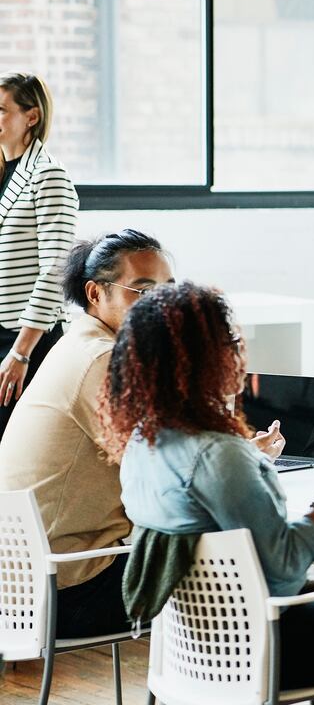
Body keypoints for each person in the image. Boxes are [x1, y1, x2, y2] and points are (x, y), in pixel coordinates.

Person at [108, 282, 314, 703]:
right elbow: (282, 571)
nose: (240, 350)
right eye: (233, 340)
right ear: (206, 358)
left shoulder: (142, 444)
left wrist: (308, 582)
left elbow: (233, 565)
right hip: (264, 647)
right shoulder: (219, 455)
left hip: (196, 648)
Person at [0, 230, 176, 639]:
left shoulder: (80, 341)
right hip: (66, 590)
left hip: (26, 584)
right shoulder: (103, 358)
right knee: (216, 569)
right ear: (96, 293)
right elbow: (169, 470)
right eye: (142, 291)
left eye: (168, 291)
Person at [0, 72, 78, 437]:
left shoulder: (49, 176)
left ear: (31, 116)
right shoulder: (4, 175)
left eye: (0, 110)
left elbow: (55, 271)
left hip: (27, 338)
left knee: (13, 447)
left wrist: (20, 353)